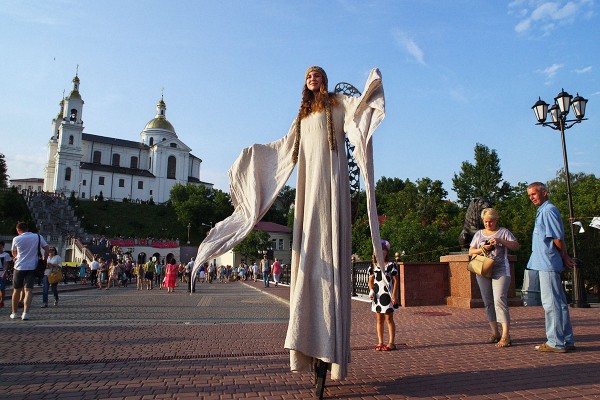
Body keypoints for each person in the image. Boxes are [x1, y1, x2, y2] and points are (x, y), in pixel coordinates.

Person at [191, 66, 385, 385]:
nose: (313, 78)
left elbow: (360, 109)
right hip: (309, 196)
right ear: (304, 84)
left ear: (324, 79)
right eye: (308, 76)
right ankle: (309, 344)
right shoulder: (303, 117)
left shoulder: (337, 103)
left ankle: (328, 351)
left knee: (332, 255)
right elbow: (283, 149)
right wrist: (255, 156)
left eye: (317, 75)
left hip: (333, 189)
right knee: (309, 261)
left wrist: (370, 88)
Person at [527, 182, 576, 353]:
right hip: (547, 262)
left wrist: (564, 256)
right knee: (560, 303)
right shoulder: (544, 210)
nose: (532, 197)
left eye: (534, 194)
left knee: (551, 303)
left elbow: (557, 238)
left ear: (544, 193)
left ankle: (555, 341)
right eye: (529, 195)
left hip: (548, 263)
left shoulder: (548, 210)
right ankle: (566, 339)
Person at [469, 208, 520, 348]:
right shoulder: (479, 234)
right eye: (485, 222)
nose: (488, 224)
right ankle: (495, 333)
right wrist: (483, 248)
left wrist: (500, 241)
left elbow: (516, 246)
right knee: (488, 301)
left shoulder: (503, 232)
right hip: (483, 270)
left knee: (499, 300)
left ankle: (505, 335)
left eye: (490, 221)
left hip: (500, 270)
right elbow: (471, 251)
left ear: (496, 220)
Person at [10, 222, 49, 320]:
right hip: (32, 266)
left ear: (18, 230)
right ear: (27, 228)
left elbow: (13, 252)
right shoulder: (37, 237)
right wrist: (44, 259)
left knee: (16, 290)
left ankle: (14, 313)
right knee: (28, 290)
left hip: (19, 266)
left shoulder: (16, 239)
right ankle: (25, 313)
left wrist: (17, 257)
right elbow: (46, 248)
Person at [368, 240, 399, 351]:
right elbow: (370, 280)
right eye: (379, 250)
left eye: (383, 250)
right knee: (379, 319)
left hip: (387, 295)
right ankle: (380, 342)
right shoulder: (373, 266)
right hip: (378, 296)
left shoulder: (391, 265)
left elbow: (395, 281)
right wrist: (371, 290)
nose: (381, 252)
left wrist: (394, 295)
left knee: (389, 318)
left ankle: (391, 342)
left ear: (386, 252)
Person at [0, 240, 13, 308]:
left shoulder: (6, 255)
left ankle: (2, 300)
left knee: (2, 288)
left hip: (2, 273)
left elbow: (7, 265)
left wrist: (5, 272)